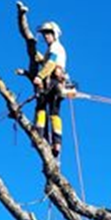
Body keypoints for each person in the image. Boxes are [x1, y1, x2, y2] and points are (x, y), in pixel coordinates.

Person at [33, 21, 67, 157]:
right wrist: (41, 60)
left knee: (41, 108)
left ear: (55, 34)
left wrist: (40, 76)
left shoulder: (55, 46)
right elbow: (49, 61)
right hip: (57, 81)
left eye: (48, 33)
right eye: (44, 34)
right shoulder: (54, 48)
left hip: (52, 80)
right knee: (54, 112)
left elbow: (52, 62)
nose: (46, 36)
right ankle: (56, 144)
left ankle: (40, 136)